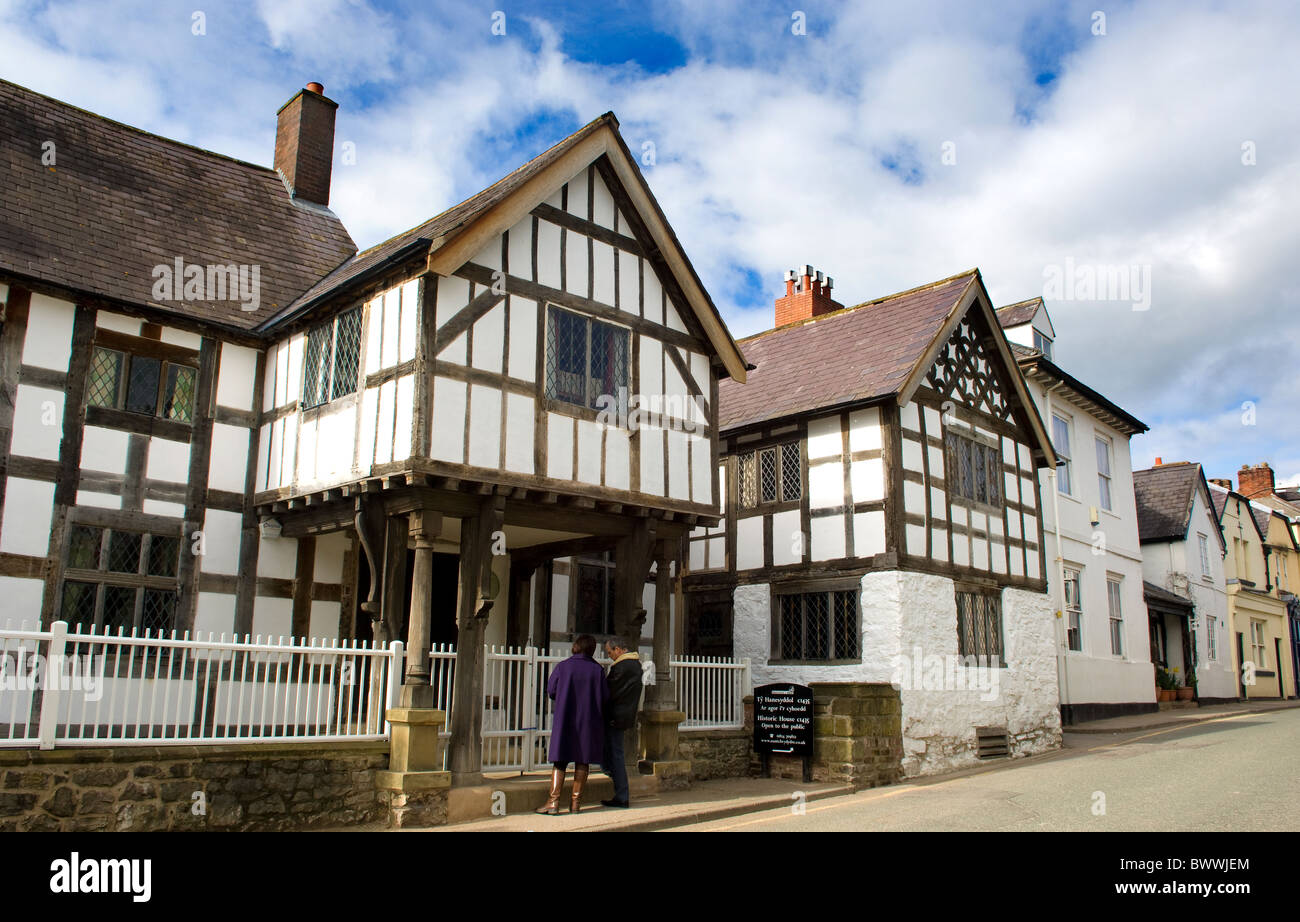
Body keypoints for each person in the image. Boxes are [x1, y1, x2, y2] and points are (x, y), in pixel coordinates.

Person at [537, 634, 608, 815]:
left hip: (565, 718)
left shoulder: (564, 666)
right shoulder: (597, 670)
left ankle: (553, 802)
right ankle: (576, 803)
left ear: (576, 646)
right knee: (582, 761)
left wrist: (564, 698)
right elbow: (605, 698)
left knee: (560, 760)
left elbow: (551, 690)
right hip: (587, 720)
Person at [600, 636, 642, 809]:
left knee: (615, 755)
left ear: (618, 649)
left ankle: (622, 794)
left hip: (615, 716)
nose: (609, 655)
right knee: (614, 752)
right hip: (624, 715)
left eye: (610, 652)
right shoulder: (635, 665)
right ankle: (619, 789)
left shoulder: (621, 667)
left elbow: (609, 691)